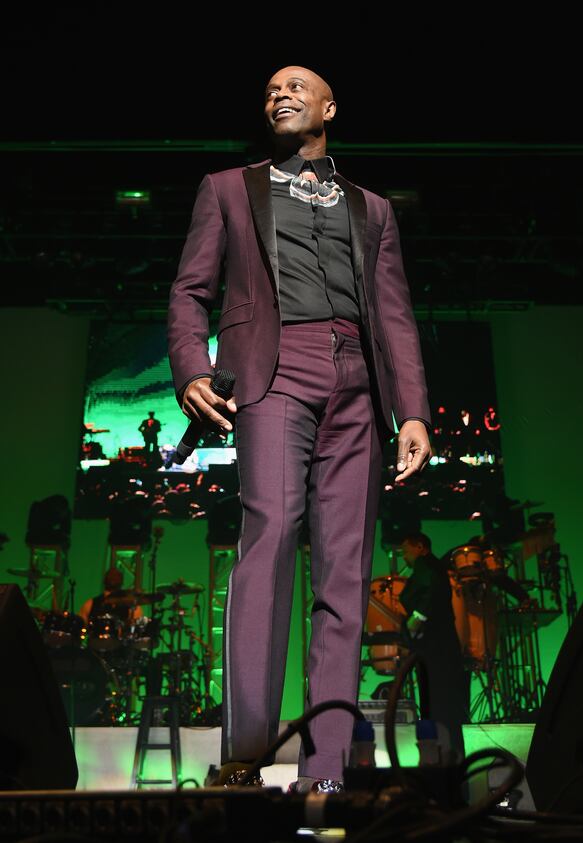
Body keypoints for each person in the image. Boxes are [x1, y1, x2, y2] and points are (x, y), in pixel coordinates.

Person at [167, 65, 433, 791]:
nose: (278, 93)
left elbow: (396, 315)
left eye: (295, 85)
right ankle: (247, 751)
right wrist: (192, 364)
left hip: (359, 383)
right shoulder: (228, 187)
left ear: (329, 107)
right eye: (269, 89)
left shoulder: (374, 208)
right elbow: (191, 288)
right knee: (272, 533)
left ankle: (328, 769)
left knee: (346, 568)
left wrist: (411, 409)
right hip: (276, 369)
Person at [397, 532, 470, 762]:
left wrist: (415, 621)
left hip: (435, 650)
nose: (405, 558)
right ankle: (447, 757)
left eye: (406, 551)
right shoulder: (432, 568)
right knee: (442, 706)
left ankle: (445, 759)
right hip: (437, 648)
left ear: (420, 547)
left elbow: (429, 597)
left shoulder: (428, 568)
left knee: (440, 705)